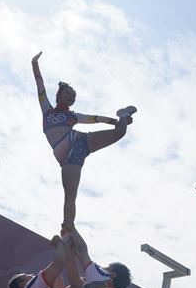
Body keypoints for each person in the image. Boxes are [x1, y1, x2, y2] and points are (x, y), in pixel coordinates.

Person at [31, 51, 136, 232]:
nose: (71, 97)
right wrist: (35, 64)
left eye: (74, 95)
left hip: (79, 143)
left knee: (119, 132)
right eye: (68, 93)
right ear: (60, 95)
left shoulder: (73, 116)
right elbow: (40, 86)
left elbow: (94, 119)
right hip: (66, 157)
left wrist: (116, 121)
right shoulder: (47, 110)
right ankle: (67, 229)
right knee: (70, 195)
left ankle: (123, 115)